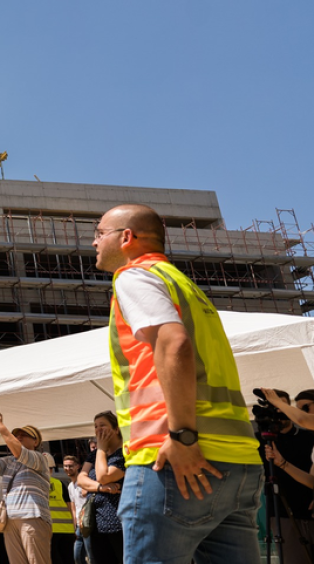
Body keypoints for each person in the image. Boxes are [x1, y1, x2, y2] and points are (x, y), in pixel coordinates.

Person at [93, 204, 262, 563]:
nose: (94, 242)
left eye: (99, 232)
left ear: (126, 237)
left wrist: (182, 435)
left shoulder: (135, 276)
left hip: (174, 459)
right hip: (238, 463)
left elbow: (174, 344)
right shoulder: (186, 287)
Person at [0, 417, 52, 564]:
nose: (19, 437)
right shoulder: (10, 461)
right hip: (10, 520)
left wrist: (0, 425)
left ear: (36, 442)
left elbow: (20, 453)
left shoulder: (40, 458)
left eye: (24, 435)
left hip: (32, 517)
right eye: (17, 435)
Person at [259, 388, 314, 563]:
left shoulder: (307, 434)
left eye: (305, 407)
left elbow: (302, 420)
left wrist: (278, 402)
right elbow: (312, 481)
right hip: (284, 513)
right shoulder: (261, 440)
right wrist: (282, 463)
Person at [73, 412, 123, 564]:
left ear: (116, 429)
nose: (98, 429)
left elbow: (104, 475)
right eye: (95, 426)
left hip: (119, 523)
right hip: (95, 523)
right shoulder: (94, 455)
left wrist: (101, 448)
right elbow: (81, 479)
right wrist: (101, 488)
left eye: (103, 425)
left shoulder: (125, 452)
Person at [61, 456, 86, 564]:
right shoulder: (70, 486)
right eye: (65, 466)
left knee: (90, 555)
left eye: (71, 466)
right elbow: (73, 507)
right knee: (78, 557)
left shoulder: (84, 481)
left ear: (78, 466)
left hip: (88, 523)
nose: (68, 468)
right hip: (78, 526)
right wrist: (74, 524)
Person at [46, 471, 74, 564]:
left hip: (49, 530)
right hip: (67, 529)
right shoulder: (59, 483)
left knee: (54, 559)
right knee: (68, 558)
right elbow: (70, 507)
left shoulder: (36, 483)